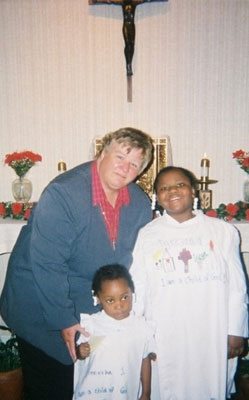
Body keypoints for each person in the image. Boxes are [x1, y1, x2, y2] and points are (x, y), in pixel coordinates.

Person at [0, 127, 153, 400]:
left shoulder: (140, 204)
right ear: (101, 153)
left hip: (86, 307)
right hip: (39, 302)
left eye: (135, 164)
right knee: (53, 384)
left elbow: (137, 263)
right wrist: (64, 320)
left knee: (86, 385)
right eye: (120, 157)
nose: (125, 168)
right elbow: (47, 265)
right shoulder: (63, 194)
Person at [130, 166, 249, 400]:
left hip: (211, 328)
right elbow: (139, 284)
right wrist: (139, 334)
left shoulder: (223, 231)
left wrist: (236, 330)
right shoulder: (148, 234)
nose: (172, 191)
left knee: (208, 384)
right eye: (163, 188)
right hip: (165, 329)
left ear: (193, 190)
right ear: (156, 196)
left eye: (179, 185)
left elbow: (237, 285)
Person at [73, 264, 156, 400]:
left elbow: (144, 359)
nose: (119, 305)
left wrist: (146, 393)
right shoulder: (92, 324)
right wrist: (80, 351)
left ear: (132, 293)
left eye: (124, 297)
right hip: (92, 393)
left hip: (124, 393)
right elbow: (78, 355)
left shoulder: (140, 326)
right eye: (110, 300)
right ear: (98, 299)